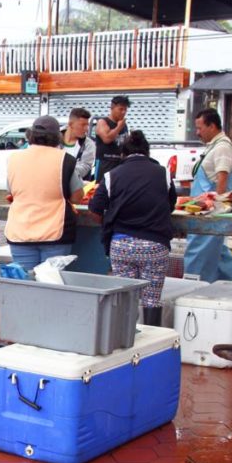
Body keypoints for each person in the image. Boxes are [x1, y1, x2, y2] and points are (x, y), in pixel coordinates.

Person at [89, 130, 176, 326]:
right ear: (147, 152)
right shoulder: (163, 174)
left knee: (125, 299)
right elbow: (170, 205)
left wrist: (107, 222)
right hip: (155, 246)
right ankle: (153, 344)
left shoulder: (112, 175)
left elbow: (95, 208)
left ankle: (124, 341)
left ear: (123, 154)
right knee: (152, 300)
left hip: (121, 246)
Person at [4, 115, 83, 272]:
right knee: (51, 285)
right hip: (55, 233)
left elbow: (11, 192)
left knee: (24, 283)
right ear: (57, 137)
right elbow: (77, 196)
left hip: (20, 231)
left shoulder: (14, 159)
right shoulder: (64, 160)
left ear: (31, 135)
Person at [184, 109, 232, 283]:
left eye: (200, 127)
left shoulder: (223, 146)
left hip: (208, 214)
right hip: (201, 210)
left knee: (198, 254)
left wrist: (215, 206)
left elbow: (222, 178)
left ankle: (192, 289)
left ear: (212, 126)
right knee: (219, 254)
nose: (198, 132)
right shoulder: (213, 146)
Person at [94, 95, 130, 178]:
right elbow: (106, 139)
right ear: (112, 107)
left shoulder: (124, 125)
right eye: (121, 109)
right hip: (105, 162)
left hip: (119, 163)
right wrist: (118, 128)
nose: (123, 112)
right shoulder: (103, 122)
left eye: (125, 110)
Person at [62, 107, 96, 182]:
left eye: (87, 125)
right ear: (70, 124)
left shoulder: (89, 144)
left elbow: (85, 167)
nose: (86, 129)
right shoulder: (54, 139)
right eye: (83, 125)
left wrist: (62, 172)